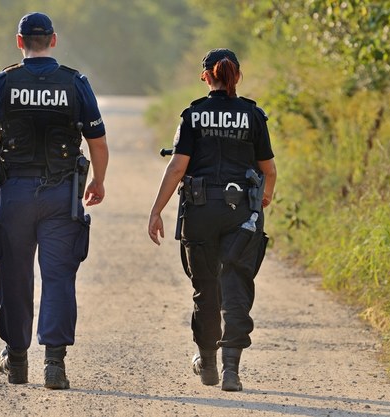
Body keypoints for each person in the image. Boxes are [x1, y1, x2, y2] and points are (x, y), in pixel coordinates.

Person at [0, 12, 109, 388]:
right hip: (63, 195)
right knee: (59, 276)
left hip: (14, 193)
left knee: (14, 276)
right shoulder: (75, 83)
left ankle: (16, 362)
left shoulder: (3, 81)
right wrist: (97, 181)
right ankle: (54, 365)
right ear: (53, 39)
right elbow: (97, 141)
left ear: (19, 42)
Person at [148, 48, 276, 391]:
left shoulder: (193, 114)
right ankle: (231, 369)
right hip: (242, 215)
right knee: (236, 287)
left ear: (207, 75)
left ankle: (207, 365)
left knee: (205, 289)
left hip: (201, 212)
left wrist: (156, 210)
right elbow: (269, 170)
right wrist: (264, 198)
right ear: (237, 75)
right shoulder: (253, 115)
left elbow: (177, 167)